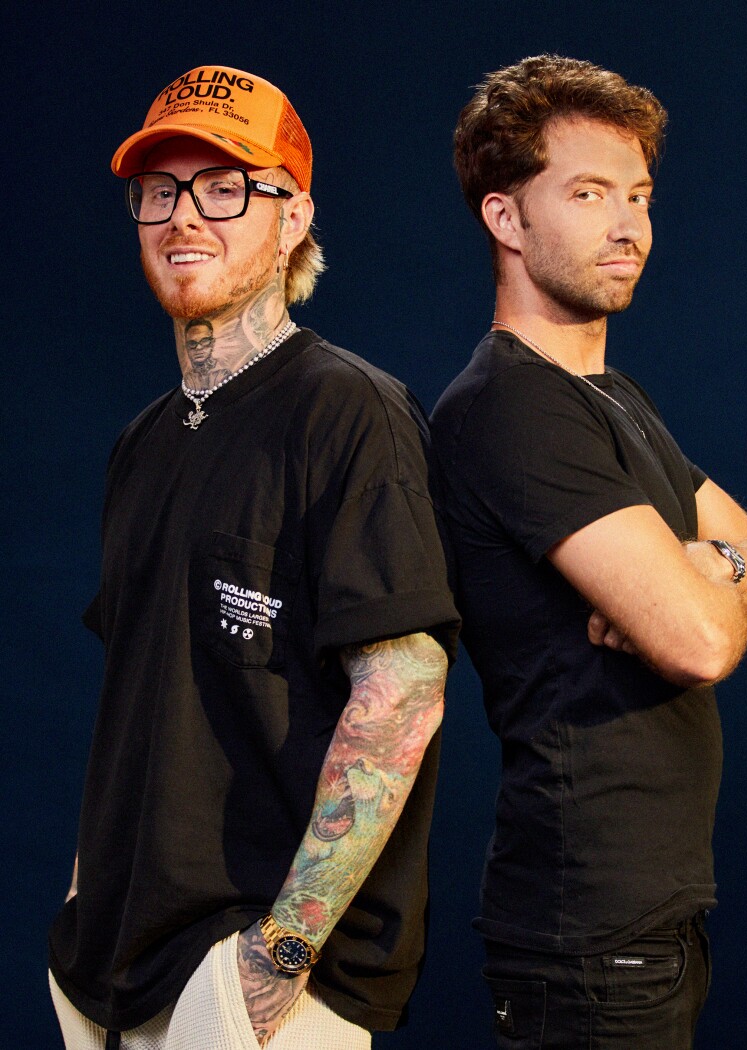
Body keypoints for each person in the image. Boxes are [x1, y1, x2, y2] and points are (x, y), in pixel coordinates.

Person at [48, 65, 459, 1050]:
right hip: (107, 965)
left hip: (253, 976)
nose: (185, 217)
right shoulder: (143, 441)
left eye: (227, 187)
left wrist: (280, 954)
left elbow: (403, 689)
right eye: (160, 191)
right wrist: (78, 899)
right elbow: (143, 697)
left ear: (292, 218)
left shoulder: (349, 412)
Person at [431, 55, 747, 1049]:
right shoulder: (510, 407)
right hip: (586, 939)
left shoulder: (613, 400)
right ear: (505, 219)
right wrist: (705, 579)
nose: (629, 226)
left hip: (649, 920)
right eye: (589, 194)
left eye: (638, 195)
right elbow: (700, 646)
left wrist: (711, 563)